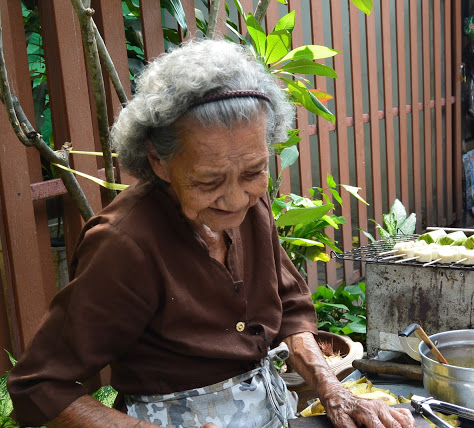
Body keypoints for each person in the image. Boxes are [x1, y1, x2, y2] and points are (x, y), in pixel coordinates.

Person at [7, 39, 415, 428]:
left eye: (254, 172)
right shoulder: (123, 245)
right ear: (158, 160)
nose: (236, 199)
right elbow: (38, 387)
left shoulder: (252, 205)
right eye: (209, 180)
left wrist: (333, 390)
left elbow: (290, 306)